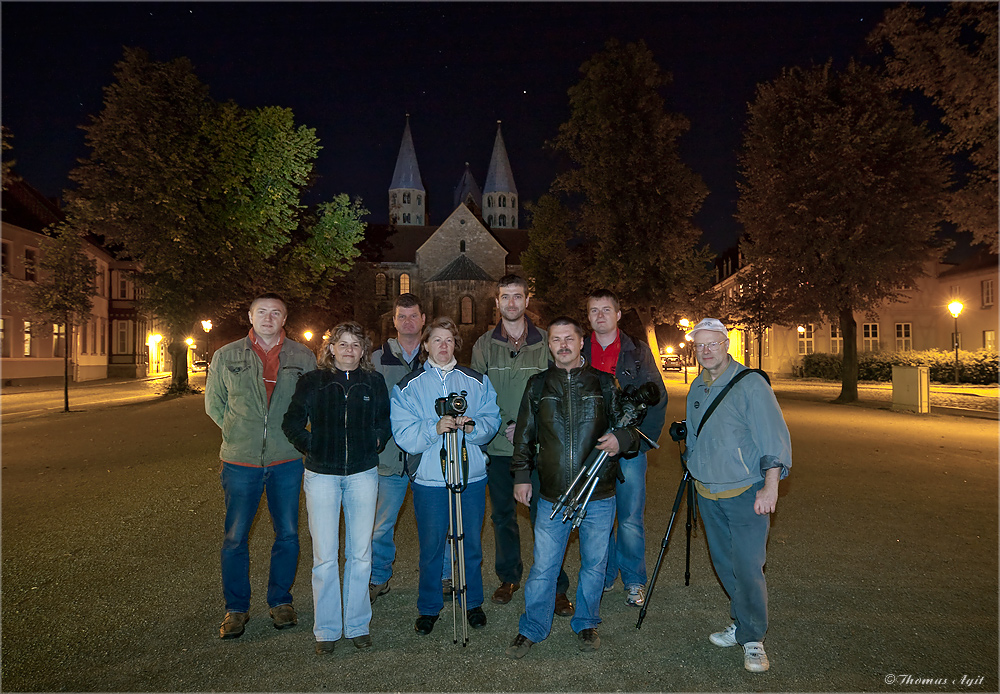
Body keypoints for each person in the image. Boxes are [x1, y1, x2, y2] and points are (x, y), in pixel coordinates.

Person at [504, 317, 638, 659]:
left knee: (595, 564)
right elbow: (524, 437)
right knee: (544, 567)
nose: (562, 344)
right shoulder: (537, 385)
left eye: (569, 338)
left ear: (582, 342)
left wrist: (621, 438)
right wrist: (521, 476)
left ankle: (587, 621)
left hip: (598, 492)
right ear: (549, 345)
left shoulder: (605, 384)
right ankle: (533, 627)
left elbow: (632, 431)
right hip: (552, 494)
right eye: (555, 339)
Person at [205, 292, 317, 639]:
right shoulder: (226, 355)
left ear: (285, 319)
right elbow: (214, 404)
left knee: (287, 534)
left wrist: (288, 439)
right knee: (235, 537)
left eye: (276, 313)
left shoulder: (302, 356)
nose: (269, 318)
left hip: (286, 460)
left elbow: (312, 403)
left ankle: (281, 601)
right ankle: (236, 608)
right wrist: (241, 433)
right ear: (250, 316)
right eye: (262, 312)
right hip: (240, 462)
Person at [683, 317, 791, 673]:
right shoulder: (698, 386)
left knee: (747, 566)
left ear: (726, 345)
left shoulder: (750, 384)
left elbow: (772, 437)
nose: (706, 351)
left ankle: (753, 638)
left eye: (712, 343)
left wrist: (770, 486)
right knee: (725, 565)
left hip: (745, 492)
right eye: (700, 345)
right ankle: (741, 622)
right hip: (707, 492)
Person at [282, 322, 390, 654]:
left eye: (355, 345)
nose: (348, 350)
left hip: (362, 475)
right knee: (325, 555)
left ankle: (357, 623)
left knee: (360, 553)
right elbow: (292, 422)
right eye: (342, 344)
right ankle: (326, 629)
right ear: (330, 348)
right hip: (322, 476)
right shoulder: (313, 382)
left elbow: (384, 423)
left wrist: (374, 442)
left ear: (363, 351)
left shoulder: (373, 381)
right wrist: (312, 446)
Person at [390, 317, 501, 636]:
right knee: (432, 545)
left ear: (455, 345)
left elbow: (491, 419)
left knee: (471, 543)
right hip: (430, 479)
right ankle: (429, 607)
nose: (442, 346)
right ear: (425, 345)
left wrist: (473, 427)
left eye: (448, 340)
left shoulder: (476, 380)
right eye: (436, 340)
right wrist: (433, 427)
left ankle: (472, 602)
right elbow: (403, 432)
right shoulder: (408, 386)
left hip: (471, 476)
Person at [471, 275, 573, 616]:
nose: (511, 303)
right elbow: (479, 396)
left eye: (518, 297)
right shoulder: (484, 345)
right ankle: (509, 577)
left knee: (546, 518)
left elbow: (557, 391)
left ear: (527, 301)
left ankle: (556, 585)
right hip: (499, 448)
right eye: (505, 297)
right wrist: (505, 426)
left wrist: (528, 427)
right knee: (503, 517)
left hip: (541, 449)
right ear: (496, 302)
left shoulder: (547, 341)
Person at [582, 289, 666, 608]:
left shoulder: (636, 351)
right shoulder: (578, 350)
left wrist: (638, 440)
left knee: (629, 517)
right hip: (591, 450)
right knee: (597, 518)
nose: (600, 315)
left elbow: (657, 395)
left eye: (607, 309)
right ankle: (603, 575)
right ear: (588, 316)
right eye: (594, 310)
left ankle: (633, 579)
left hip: (629, 448)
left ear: (618, 315)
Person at [368, 294, 426, 603]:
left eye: (413, 316)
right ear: (394, 321)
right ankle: (379, 576)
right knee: (381, 525)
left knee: (435, 522)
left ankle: (442, 575)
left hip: (426, 457)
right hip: (389, 457)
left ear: (423, 319)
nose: (407, 321)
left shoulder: (434, 357)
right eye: (401, 316)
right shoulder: (377, 359)